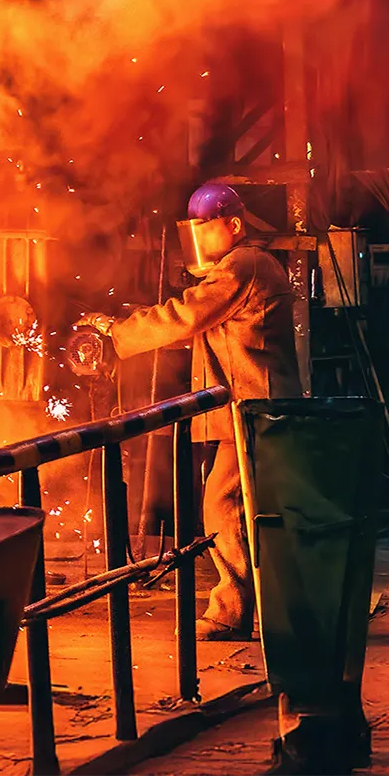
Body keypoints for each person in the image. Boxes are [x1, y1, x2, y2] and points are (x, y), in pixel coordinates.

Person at [81, 182, 302, 641]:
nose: (198, 244)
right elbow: (194, 325)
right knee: (249, 509)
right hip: (250, 407)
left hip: (255, 406)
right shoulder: (239, 270)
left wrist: (119, 333)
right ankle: (279, 607)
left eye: (206, 230)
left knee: (223, 505)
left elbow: (186, 316)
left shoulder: (245, 264)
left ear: (234, 225)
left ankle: (231, 612)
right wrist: (129, 319)